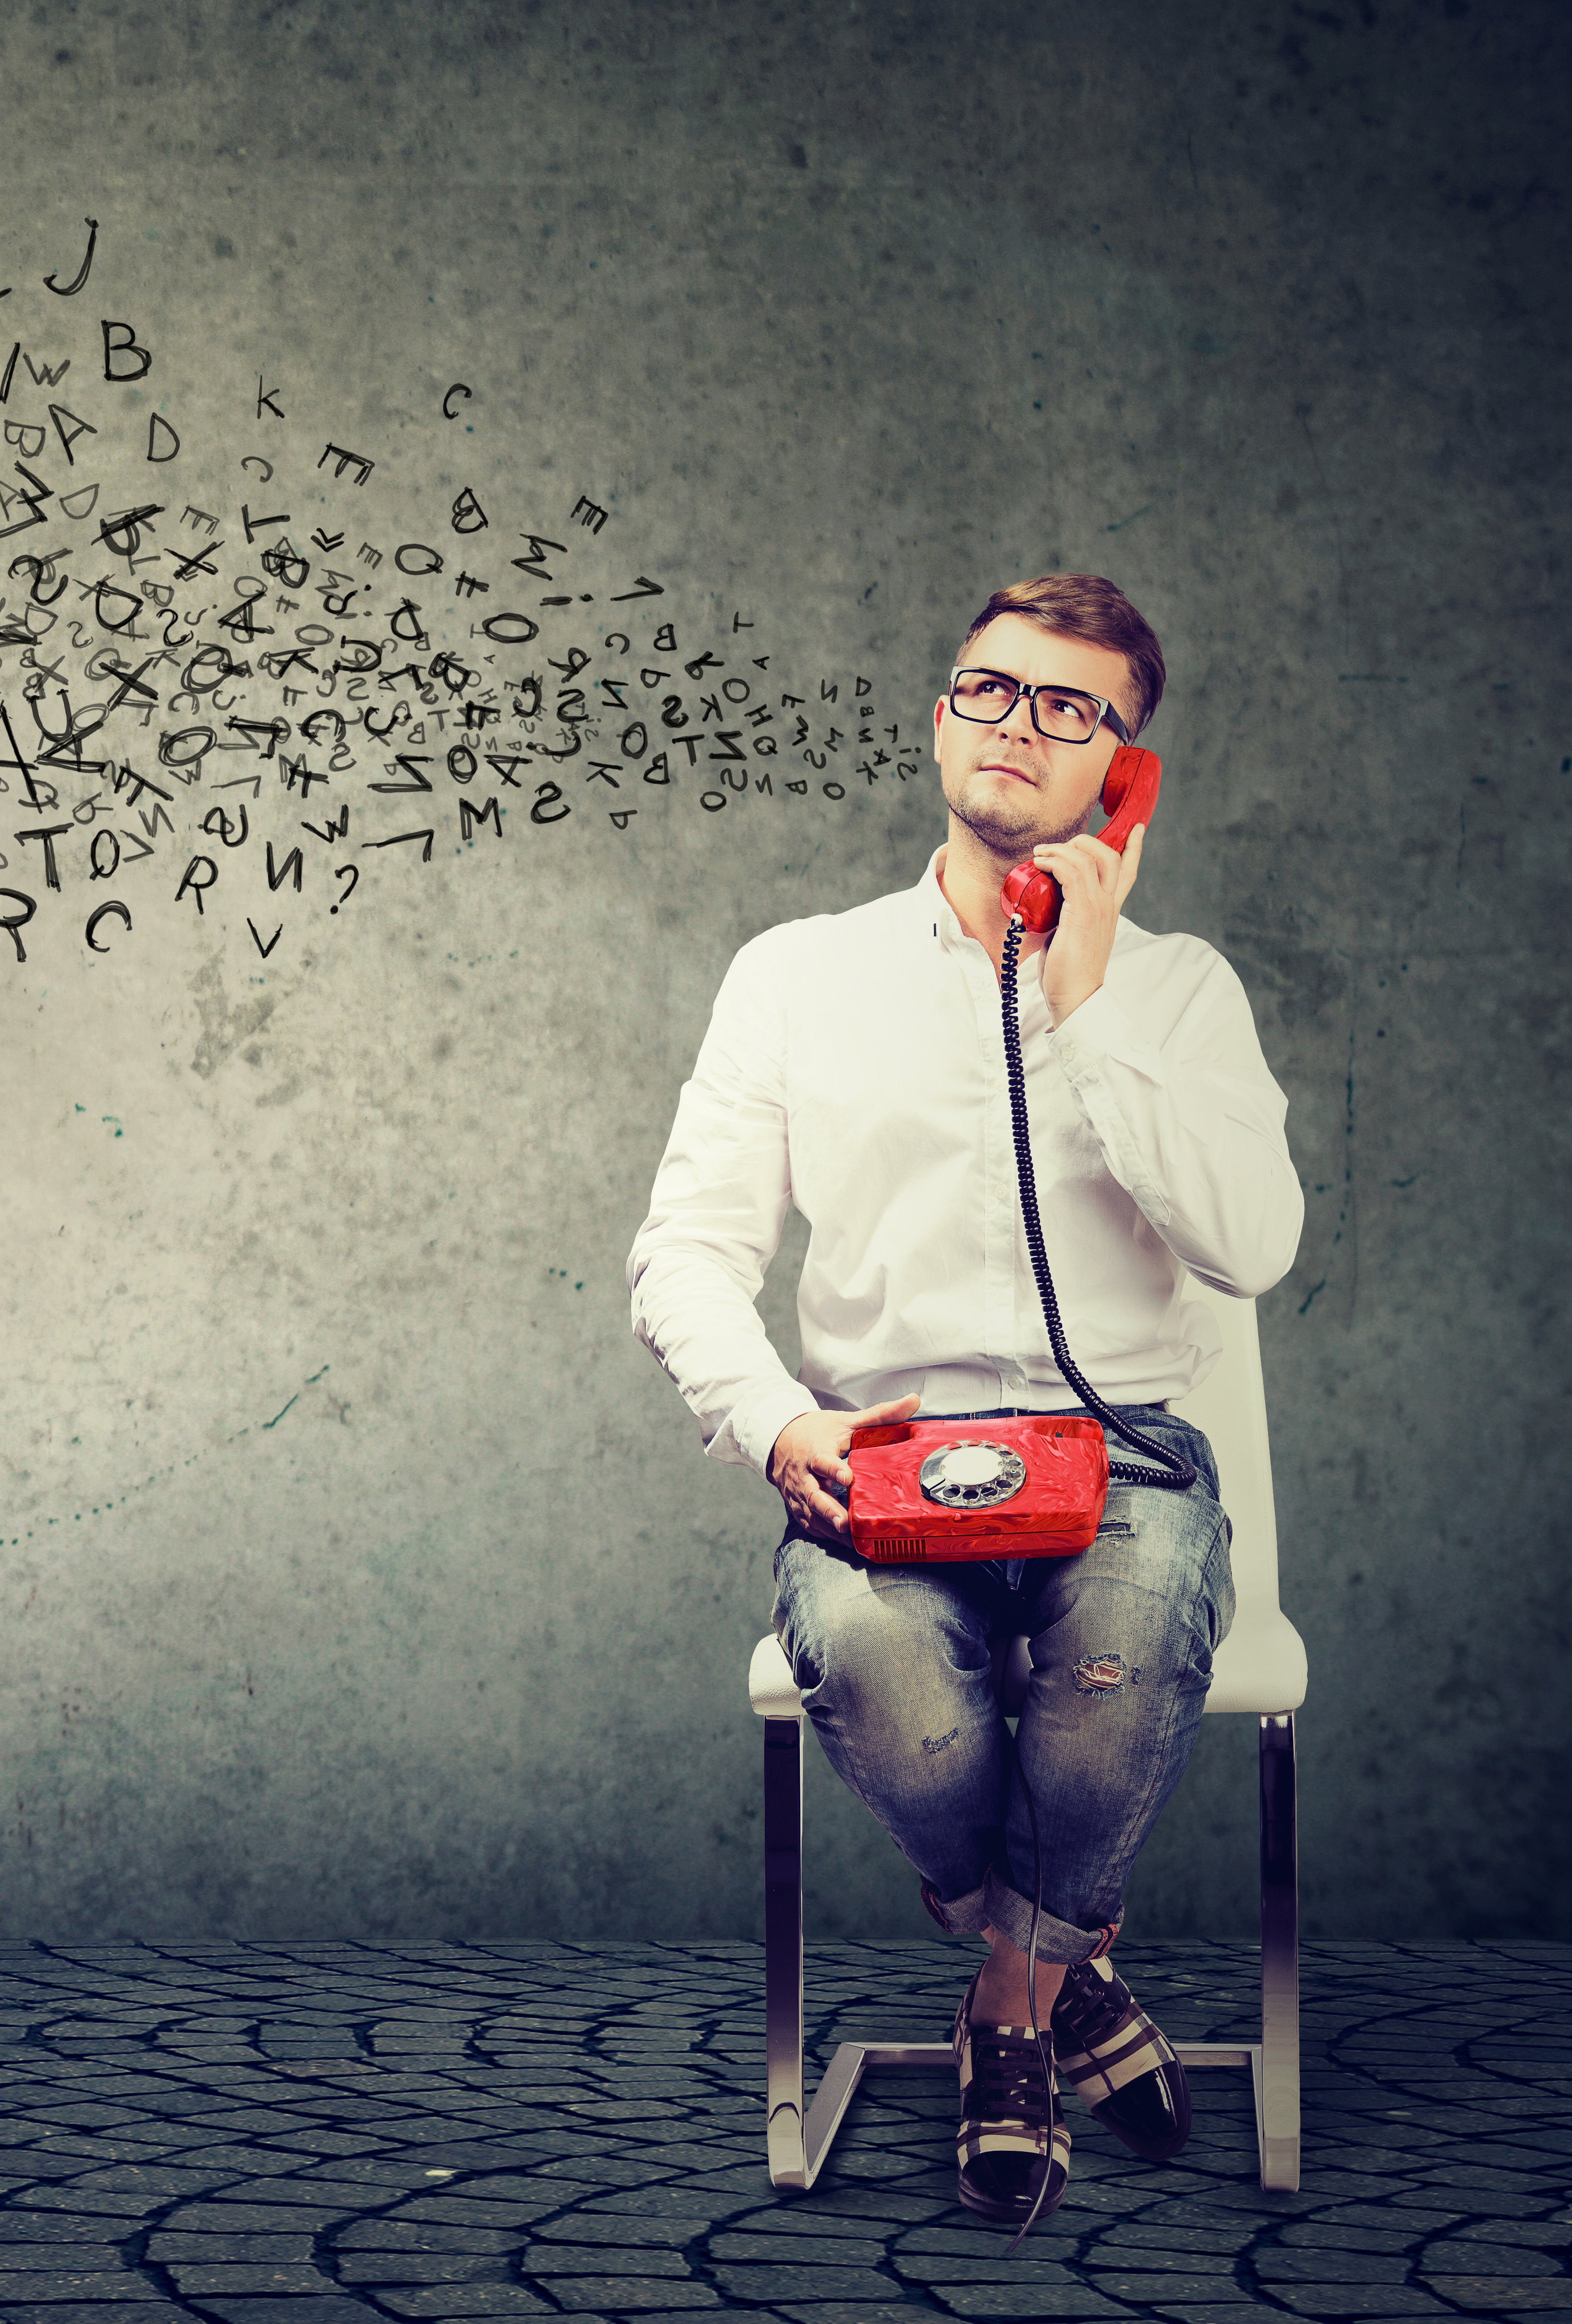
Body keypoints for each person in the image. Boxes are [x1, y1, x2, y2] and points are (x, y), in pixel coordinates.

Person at [627, 574, 1302, 2221]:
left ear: (1123, 773)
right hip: (891, 1448)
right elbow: (686, 1250)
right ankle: (1071, 1968)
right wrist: (781, 1420)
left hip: (1125, 1453)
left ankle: (1010, 2003)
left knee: (1123, 1643)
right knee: (866, 1659)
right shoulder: (799, 973)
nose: (1022, 725)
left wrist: (1081, 1001)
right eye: (993, 688)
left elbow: (1254, 1244)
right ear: (942, 714)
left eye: (1074, 710)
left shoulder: (1183, 990)